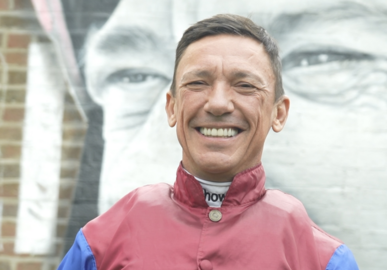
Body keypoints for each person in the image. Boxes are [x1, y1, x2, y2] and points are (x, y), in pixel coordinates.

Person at [58, 14, 359, 270]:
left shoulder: (323, 259)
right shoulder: (101, 243)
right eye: (198, 82)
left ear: (278, 114)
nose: (218, 104)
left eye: (245, 85)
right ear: (172, 107)